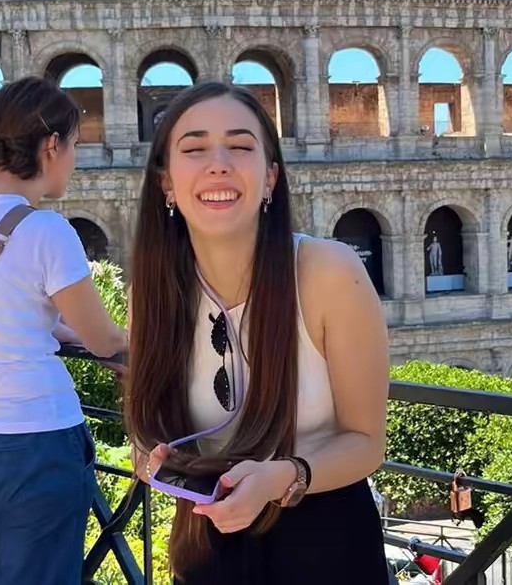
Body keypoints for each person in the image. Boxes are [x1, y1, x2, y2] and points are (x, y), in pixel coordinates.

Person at [126, 81, 390, 584]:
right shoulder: (154, 296)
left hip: (325, 540)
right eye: (194, 149)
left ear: (270, 177)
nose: (218, 164)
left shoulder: (328, 273)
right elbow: (145, 438)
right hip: (207, 542)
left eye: (241, 146)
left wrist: (280, 477)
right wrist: (162, 463)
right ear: (165, 182)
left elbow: (366, 442)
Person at [0, 76, 128, 584]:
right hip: (35, 440)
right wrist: (132, 342)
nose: (74, 158)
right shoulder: (46, 230)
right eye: (74, 144)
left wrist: (54, 331)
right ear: (51, 146)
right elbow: (102, 339)